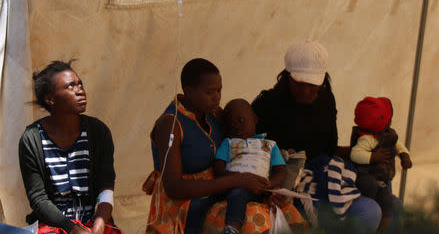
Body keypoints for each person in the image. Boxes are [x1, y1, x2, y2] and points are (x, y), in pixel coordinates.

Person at [144, 58, 304, 233]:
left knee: (282, 207)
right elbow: (174, 188)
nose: (217, 97)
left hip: (222, 189)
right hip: (184, 203)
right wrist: (236, 180)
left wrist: (264, 188)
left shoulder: (212, 113)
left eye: (219, 90)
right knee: (253, 217)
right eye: (210, 92)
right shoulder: (171, 124)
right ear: (189, 92)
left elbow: (242, 144)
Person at [251, 41, 387, 232]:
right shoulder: (266, 104)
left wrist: (366, 154)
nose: (306, 91)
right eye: (299, 83)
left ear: (323, 78)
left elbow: (329, 149)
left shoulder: (326, 99)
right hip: (286, 186)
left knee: (370, 211)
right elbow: (252, 151)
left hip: (321, 176)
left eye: (312, 84)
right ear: (287, 76)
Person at [18, 60, 120, 234]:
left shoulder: (98, 131)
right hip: (53, 225)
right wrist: (71, 228)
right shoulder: (31, 138)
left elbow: (106, 186)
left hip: (93, 222)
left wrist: (100, 223)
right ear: (50, 99)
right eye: (70, 86)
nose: (80, 90)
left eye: (80, 84)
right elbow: (38, 199)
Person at [214, 99, 287, 234]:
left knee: (283, 203)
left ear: (254, 119)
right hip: (233, 186)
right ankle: (232, 228)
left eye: (241, 120)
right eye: (231, 124)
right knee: (238, 193)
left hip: (261, 188)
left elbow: (280, 170)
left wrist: (270, 185)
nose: (236, 126)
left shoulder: (269, 145)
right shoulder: (229, 143)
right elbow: (218, 169)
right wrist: (238, 179)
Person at [350, 97, 412, 230]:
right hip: (365, 176)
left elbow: (398, 145)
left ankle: (383, 228)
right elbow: (355, 154)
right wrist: (373, 157)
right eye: (389, 119)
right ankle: (373, 208)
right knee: (369, 185)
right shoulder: (368, 139)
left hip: (381, 182)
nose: (391, 122)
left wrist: (404, 155)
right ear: (383, 121)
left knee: (388, 202)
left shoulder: (388, 135)